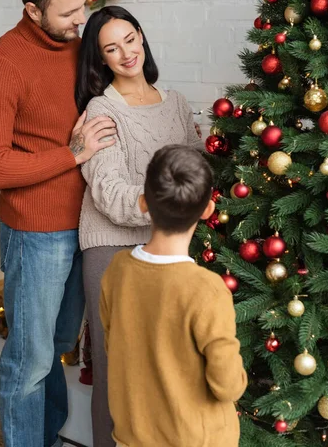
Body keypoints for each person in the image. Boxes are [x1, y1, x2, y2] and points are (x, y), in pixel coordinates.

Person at [0, 0, 117, 447]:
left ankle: (47, 436)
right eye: (68, 13)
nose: (81, 21)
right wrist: (70, 155)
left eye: (83, 7)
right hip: (36, 234)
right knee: (28, 359)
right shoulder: (3, 62)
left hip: (87, 227)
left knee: (54, 348)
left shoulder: (79, 43)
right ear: (33, 9)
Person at [75, 6, 205, 447]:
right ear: (102, 59)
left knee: (163, 366)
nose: (126, 53)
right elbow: (109, 192)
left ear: (141, 37)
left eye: (129, 39)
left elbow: (194, 170)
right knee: (117, 370)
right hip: (111, 249)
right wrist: (173, 204)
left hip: (166, 246)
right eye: (111, 48)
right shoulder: (101, 109)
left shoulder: (177, 104)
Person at [100, 144, 248, 447]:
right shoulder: (206, 289)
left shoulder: (117, 270)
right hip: (197, 440)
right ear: (208, 210)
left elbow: (112, 344)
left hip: (131, 436)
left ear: (144, 202)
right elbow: (227, 385)